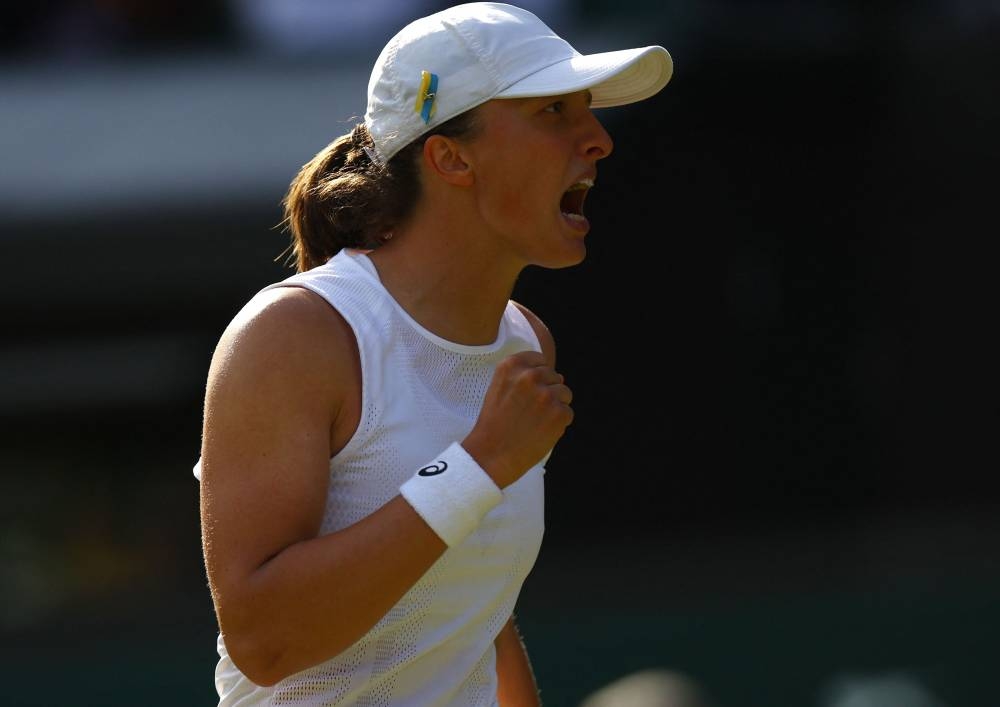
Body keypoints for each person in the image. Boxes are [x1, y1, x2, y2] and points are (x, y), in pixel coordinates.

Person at [195, 2, 672, 705]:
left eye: (587, 112)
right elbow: (267, 642)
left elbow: (471, 610)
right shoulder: (295, 334)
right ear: (451, 156)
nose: (597, 139)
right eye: (553, 114)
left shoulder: (524, 340)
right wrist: (478, 465)